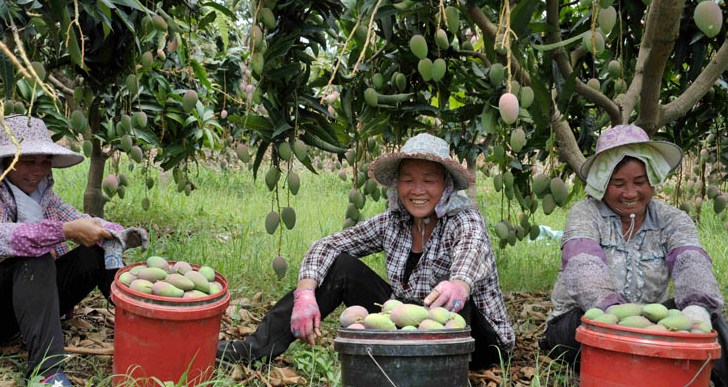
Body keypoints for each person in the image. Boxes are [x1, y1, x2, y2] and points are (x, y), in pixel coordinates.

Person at [218, 133, 514, 370]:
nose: (418, 190)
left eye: (429, 180)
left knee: (457, 302)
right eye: (408, 179)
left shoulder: (464, 219)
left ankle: (439, 375)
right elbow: (328, 245)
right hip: (412, 326)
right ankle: (252, 351)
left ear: (446, 185)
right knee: (341, 268)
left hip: (479, 342)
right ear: (397, 185)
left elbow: (471, 251)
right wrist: (305, 293)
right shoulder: (393, 222)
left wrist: (458, 284)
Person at [540, 124, 728, 387]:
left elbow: (690, 262)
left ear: (653, 180)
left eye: (639, 182)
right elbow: (582, 264)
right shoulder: (585, 213)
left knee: (711, 320)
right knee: (584, 317)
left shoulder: (672, 219)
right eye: (618, 183)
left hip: (649, 329)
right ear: (603, 183)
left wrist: (695, 311)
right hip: (579, 325)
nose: (630, 193)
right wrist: (614, 315)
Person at [0, 115, 148, 387]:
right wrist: (63, 232)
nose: (38, 171)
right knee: (34, 255)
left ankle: (145, 327)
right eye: (28, 161)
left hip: (22, 304)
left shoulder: (40, 188)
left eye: (44, 161)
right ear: (6, 159)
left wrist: (118, 234)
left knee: (98, 248)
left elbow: (76, 219)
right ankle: (47, 374)